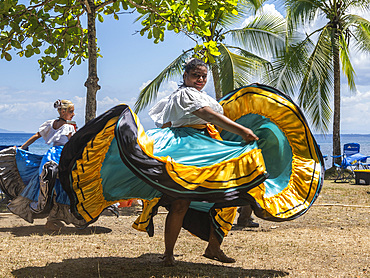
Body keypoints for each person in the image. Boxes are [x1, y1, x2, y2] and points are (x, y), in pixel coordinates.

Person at [148, 58, 259, 266]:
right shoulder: (184, 94)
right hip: (187, 148)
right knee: (180, 202)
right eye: (195, 75)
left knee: (228, 195)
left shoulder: (202, 96)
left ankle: (213, 248)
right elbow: (205, 114)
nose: (200, 79)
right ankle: (169, 253)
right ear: (185, 76)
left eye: (203, 76)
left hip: (206, 144)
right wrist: (242, 130)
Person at [0, 100, 86, 231]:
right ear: (63, 112)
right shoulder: (68, 127)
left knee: (46, 183)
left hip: (49, 156)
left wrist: (22, 148)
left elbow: (36, 136)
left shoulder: (51, 124)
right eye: (71, 111)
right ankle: (53, 218)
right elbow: (73, 144)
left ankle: (51, 219)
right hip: (60, 157)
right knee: (62, 186)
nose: (73, 114)